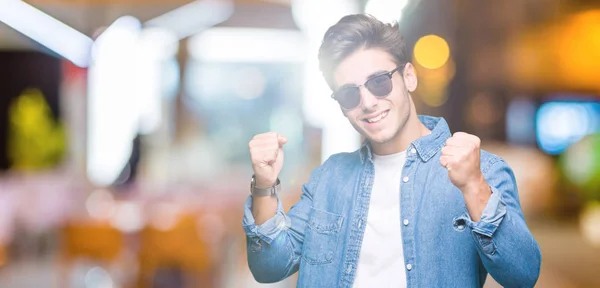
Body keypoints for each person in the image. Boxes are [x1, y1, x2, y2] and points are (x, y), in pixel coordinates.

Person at [242, 14, 541, 288]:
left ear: (408, 76)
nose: (368, 102)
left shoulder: (483, 171)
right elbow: (270, 267)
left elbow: (523, 275)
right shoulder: (328, 178)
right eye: (349, 93)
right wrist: (264, 186)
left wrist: (474, 186)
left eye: (379, 82)